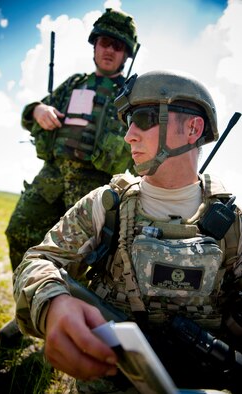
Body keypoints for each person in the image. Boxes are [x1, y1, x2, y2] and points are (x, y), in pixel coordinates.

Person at [13, 70, 242, 394]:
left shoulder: (233, 223)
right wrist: (53, 304)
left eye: (144, 119)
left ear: (193, 128)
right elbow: (38, 261)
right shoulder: (108, 204)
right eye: (128, 123)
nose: (129, 135)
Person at [5, 8, 139, 273]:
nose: (109, 50)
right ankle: (29, 306)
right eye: (104, 42)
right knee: (20, 232)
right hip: (52, 177)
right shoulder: (74, 84)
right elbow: (29, 116)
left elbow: (142, 145)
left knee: (76, 262)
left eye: (118, 45)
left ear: (127, 53)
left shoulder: (133, 96)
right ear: (94, 44)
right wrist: (37, 110)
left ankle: (62, 311)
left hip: (95, 188)